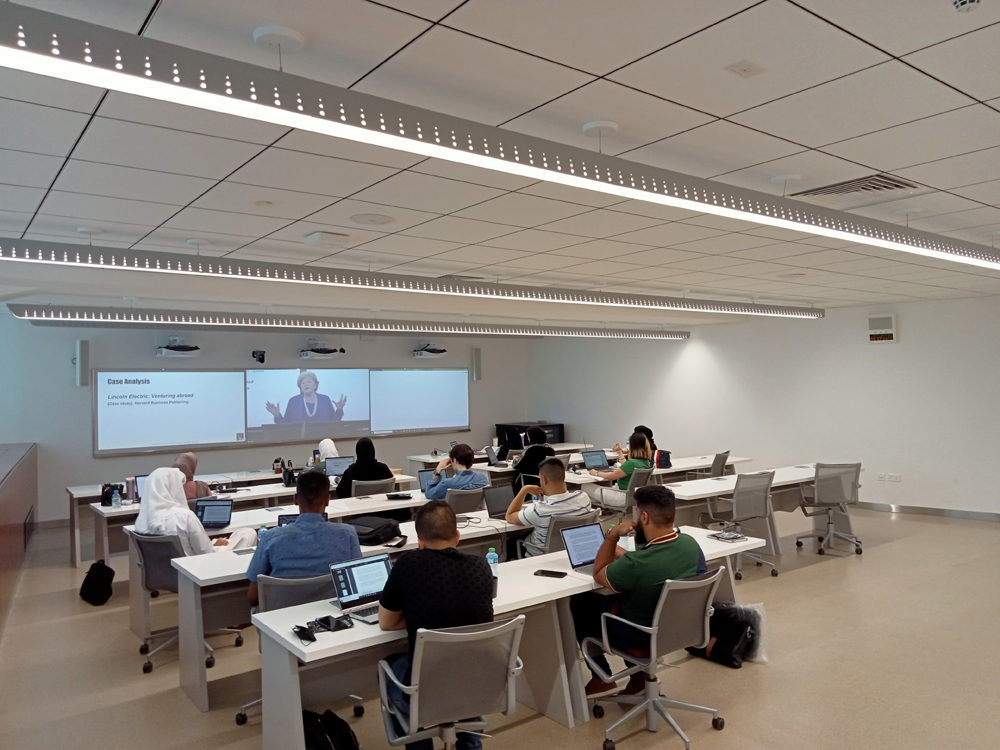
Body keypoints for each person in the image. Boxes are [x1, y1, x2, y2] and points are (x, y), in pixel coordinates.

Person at [570, 484, 707, 697]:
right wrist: (626, 556)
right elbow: (652, 564)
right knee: (631, 598)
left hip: (640, 638)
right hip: (680, 631)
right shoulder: (690, 544)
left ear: (644, 517)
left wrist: (611, 536)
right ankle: (639, 678)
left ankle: (601, 678)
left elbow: (598, 573)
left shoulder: (637, 564)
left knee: (580, 602)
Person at [378, 500, 494, 750]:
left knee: (388, 665)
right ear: (458, 536)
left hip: (426, 690)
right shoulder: (481, 567)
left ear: (419, 542)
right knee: (464, 668)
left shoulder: (408, 564)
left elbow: (386, 623)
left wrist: (419, 608)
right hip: (477, 686)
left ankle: (418, 741)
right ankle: (471, 743)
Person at [245, 470, 361, 606]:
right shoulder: (347, 534)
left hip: (280, 622)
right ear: (328, 500)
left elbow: (253, 597)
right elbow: (357, 583)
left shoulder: (271, 538)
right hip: (333, 621)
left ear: (295, 499)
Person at [135, 467, 257, 556]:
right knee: (249, 533)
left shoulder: (141, 521)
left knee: (239, 534)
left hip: (164, 572)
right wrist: (219, 546)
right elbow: (206, 553)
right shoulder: (184, 516)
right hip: (197, 569)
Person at [506, 457, 592, 557]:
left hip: (540, 555)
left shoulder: (539, 510)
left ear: (544, 479)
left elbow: (509, 516)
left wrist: (524, 490)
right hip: (571, 551)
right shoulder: (583, 498)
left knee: (510, 542)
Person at [582, 432, 652, 508]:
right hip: (633, 496)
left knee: (585, 486)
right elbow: (627, 466)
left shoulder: (632, 463)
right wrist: (619, 453)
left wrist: (596, 473)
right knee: (592, 497)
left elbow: (611, 476)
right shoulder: (645, 462)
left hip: (620, 497)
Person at [264, 370, 346, 424]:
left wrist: (339, 410)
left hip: (323, 438)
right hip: (299, 440)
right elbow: (286, 425)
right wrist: (277, 415)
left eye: (309, 381)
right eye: (303, 383)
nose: (306, 384)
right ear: (300, 387)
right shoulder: (293, 401)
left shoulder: (325, 399)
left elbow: (334, 422)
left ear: (315, 385)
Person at [510, 426, 555, 492]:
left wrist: (515, 459)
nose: (528, 439)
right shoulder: (550, 448)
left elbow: (517, 465)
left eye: (528, 436)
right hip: (546, 480)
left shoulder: (531, 449)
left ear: (532, 437)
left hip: (530, 480)